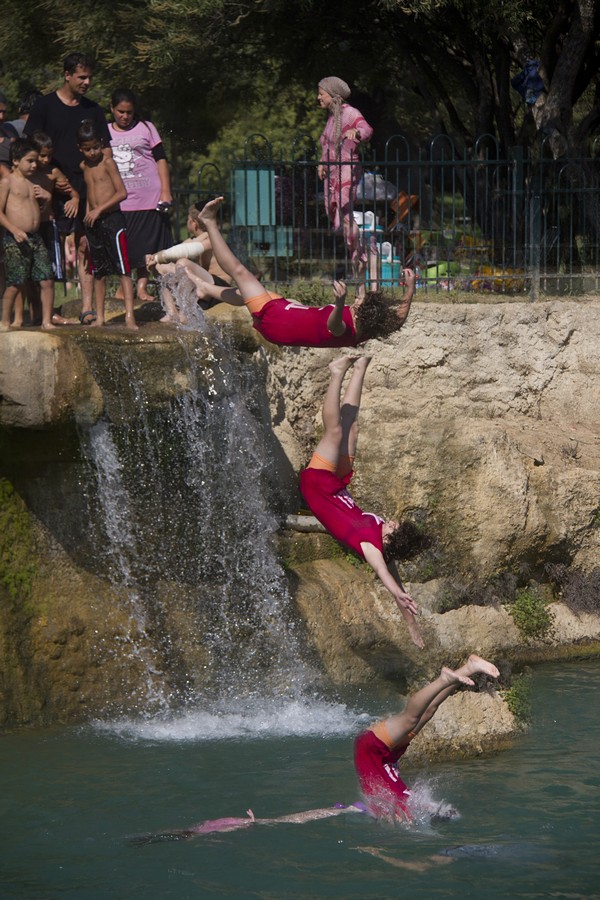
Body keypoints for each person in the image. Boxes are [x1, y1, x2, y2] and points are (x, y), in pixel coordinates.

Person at [131, 654, 499, 844]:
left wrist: (254, 823)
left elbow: (311, 815)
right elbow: (426, 807)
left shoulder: (368, 806)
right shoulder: (393, 802)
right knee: (423, 715)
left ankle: (454, 674)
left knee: (413, 717)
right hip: (383, 755)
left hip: (370, 750)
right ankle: (458, 674)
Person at [300, 355, 427, 647]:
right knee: (352, 427)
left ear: (389, 542)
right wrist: (410, 621)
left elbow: (385, 576)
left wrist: (399, 601)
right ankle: (360, 367)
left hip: (317, 486)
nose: (391, 522)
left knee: (334, 431)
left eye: (393, 528)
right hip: (337, 485)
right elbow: (398, 583)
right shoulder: (382, 538)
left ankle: (335, 373)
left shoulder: (371, 546)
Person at [174, 196, 414, 346]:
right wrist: (409, 291)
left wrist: (340, 301)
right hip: (284, 313)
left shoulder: (346, 327)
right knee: (252, 292)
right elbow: (398, 319)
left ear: (360, 316)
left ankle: (210, 222)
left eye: (358, 302)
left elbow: (334, 325)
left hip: (275, 321)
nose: (357, 300)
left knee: (241, 273)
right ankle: (206, 288)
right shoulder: (370, 327)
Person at [24, 53, 112, 320]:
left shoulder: (94, 110)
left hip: (87, 187)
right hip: (51, 185)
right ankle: (43, 311)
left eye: (89, 77)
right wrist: (54, 182)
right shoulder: (44, 106)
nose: (87, 82)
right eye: (81, 77)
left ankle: (87, 308)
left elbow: (106, 151)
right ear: (67, 75)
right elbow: (30, 148)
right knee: (46, 247)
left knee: (86, 244)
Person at [108, 88, 173, 303]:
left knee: (148, 246)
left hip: (149, 196)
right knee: (126, 246)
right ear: (112, 109)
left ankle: (142, 287)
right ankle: (123, 287)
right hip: (121, 199)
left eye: (129, 112)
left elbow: (161, 159)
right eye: (120, 112)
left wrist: (165, 191)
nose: (125, 117)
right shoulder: (105, 131)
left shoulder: (147, 128)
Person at [317, 77, 376, 295]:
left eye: (321, 93)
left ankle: (363, 254)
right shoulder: (333, 118)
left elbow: (366, 128)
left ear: (332, 95)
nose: (318, 97)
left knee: (344, 215)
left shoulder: (350, 113)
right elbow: (327, 145)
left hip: (346, 171)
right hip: (332, 175)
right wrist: (322, 163)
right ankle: (357, 253)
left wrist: (356, 133)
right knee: (337, 219)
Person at [77, 120, 137, 331]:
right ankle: (100, 317)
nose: (92, 152)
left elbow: (122, 193)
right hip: (93, 223)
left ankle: (130, 317)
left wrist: (99, 210)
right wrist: (87, 221)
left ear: (101, 144)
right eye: (87, 149)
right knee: (99, 272)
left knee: (123, 269)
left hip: (112, 219)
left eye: (95, 147)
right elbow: (88, 197)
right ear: (80, 149)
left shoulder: (108, 162)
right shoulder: (84, 166)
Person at [0, 138, 55, 330]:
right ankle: (5, 321)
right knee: (15, 282)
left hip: (35, 237)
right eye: (29, 161)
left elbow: (40, 208)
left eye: (35, 161)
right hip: (16, 239)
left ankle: (47, 321)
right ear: (15, 161)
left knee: (47, 279)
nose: (34, 164)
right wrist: (13, 229)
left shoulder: (36, 182)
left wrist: (47, 198)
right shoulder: (7, 182)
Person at [30, 131, 80, 324]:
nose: (45, 159)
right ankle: (35, 312)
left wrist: (75, 199)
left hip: (47, 224)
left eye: (49, 155)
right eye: (42, 155)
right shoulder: (26, 173)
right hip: (29, 227)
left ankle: (49, 313)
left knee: (48, 273)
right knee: (30, 275)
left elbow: (71, 191)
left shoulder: (53, 172)